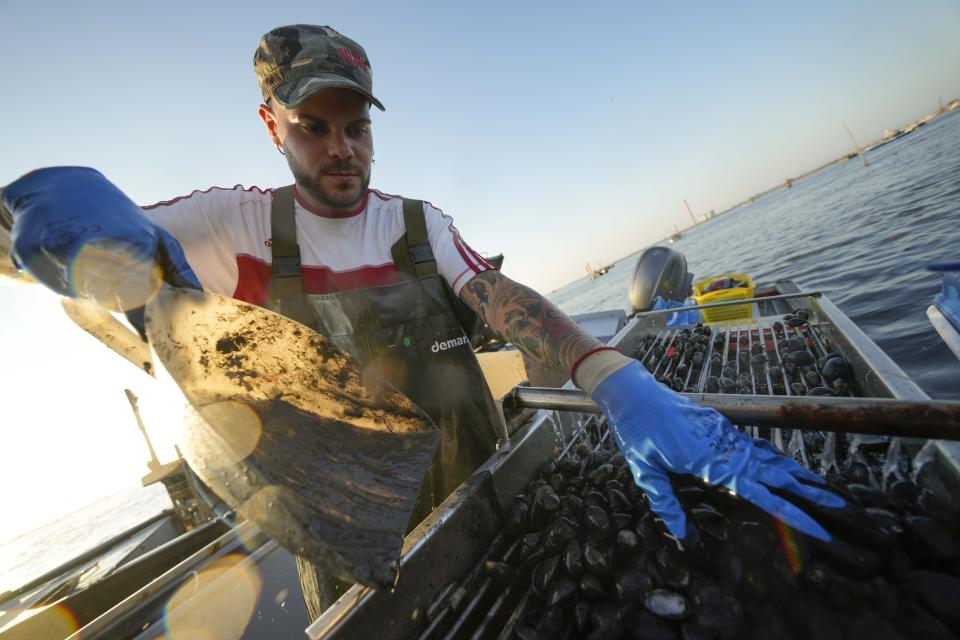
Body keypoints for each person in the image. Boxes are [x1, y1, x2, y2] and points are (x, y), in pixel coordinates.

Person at [1, 23, 842, 615]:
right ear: (272, 127)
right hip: (351, 542)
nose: (342, 150)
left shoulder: (417, 225)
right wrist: (32, 225)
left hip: (488, 491)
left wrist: (613, 377)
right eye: (313, 128)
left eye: (357, 128)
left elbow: (500, 300)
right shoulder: (233, 224)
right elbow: (48, 257)